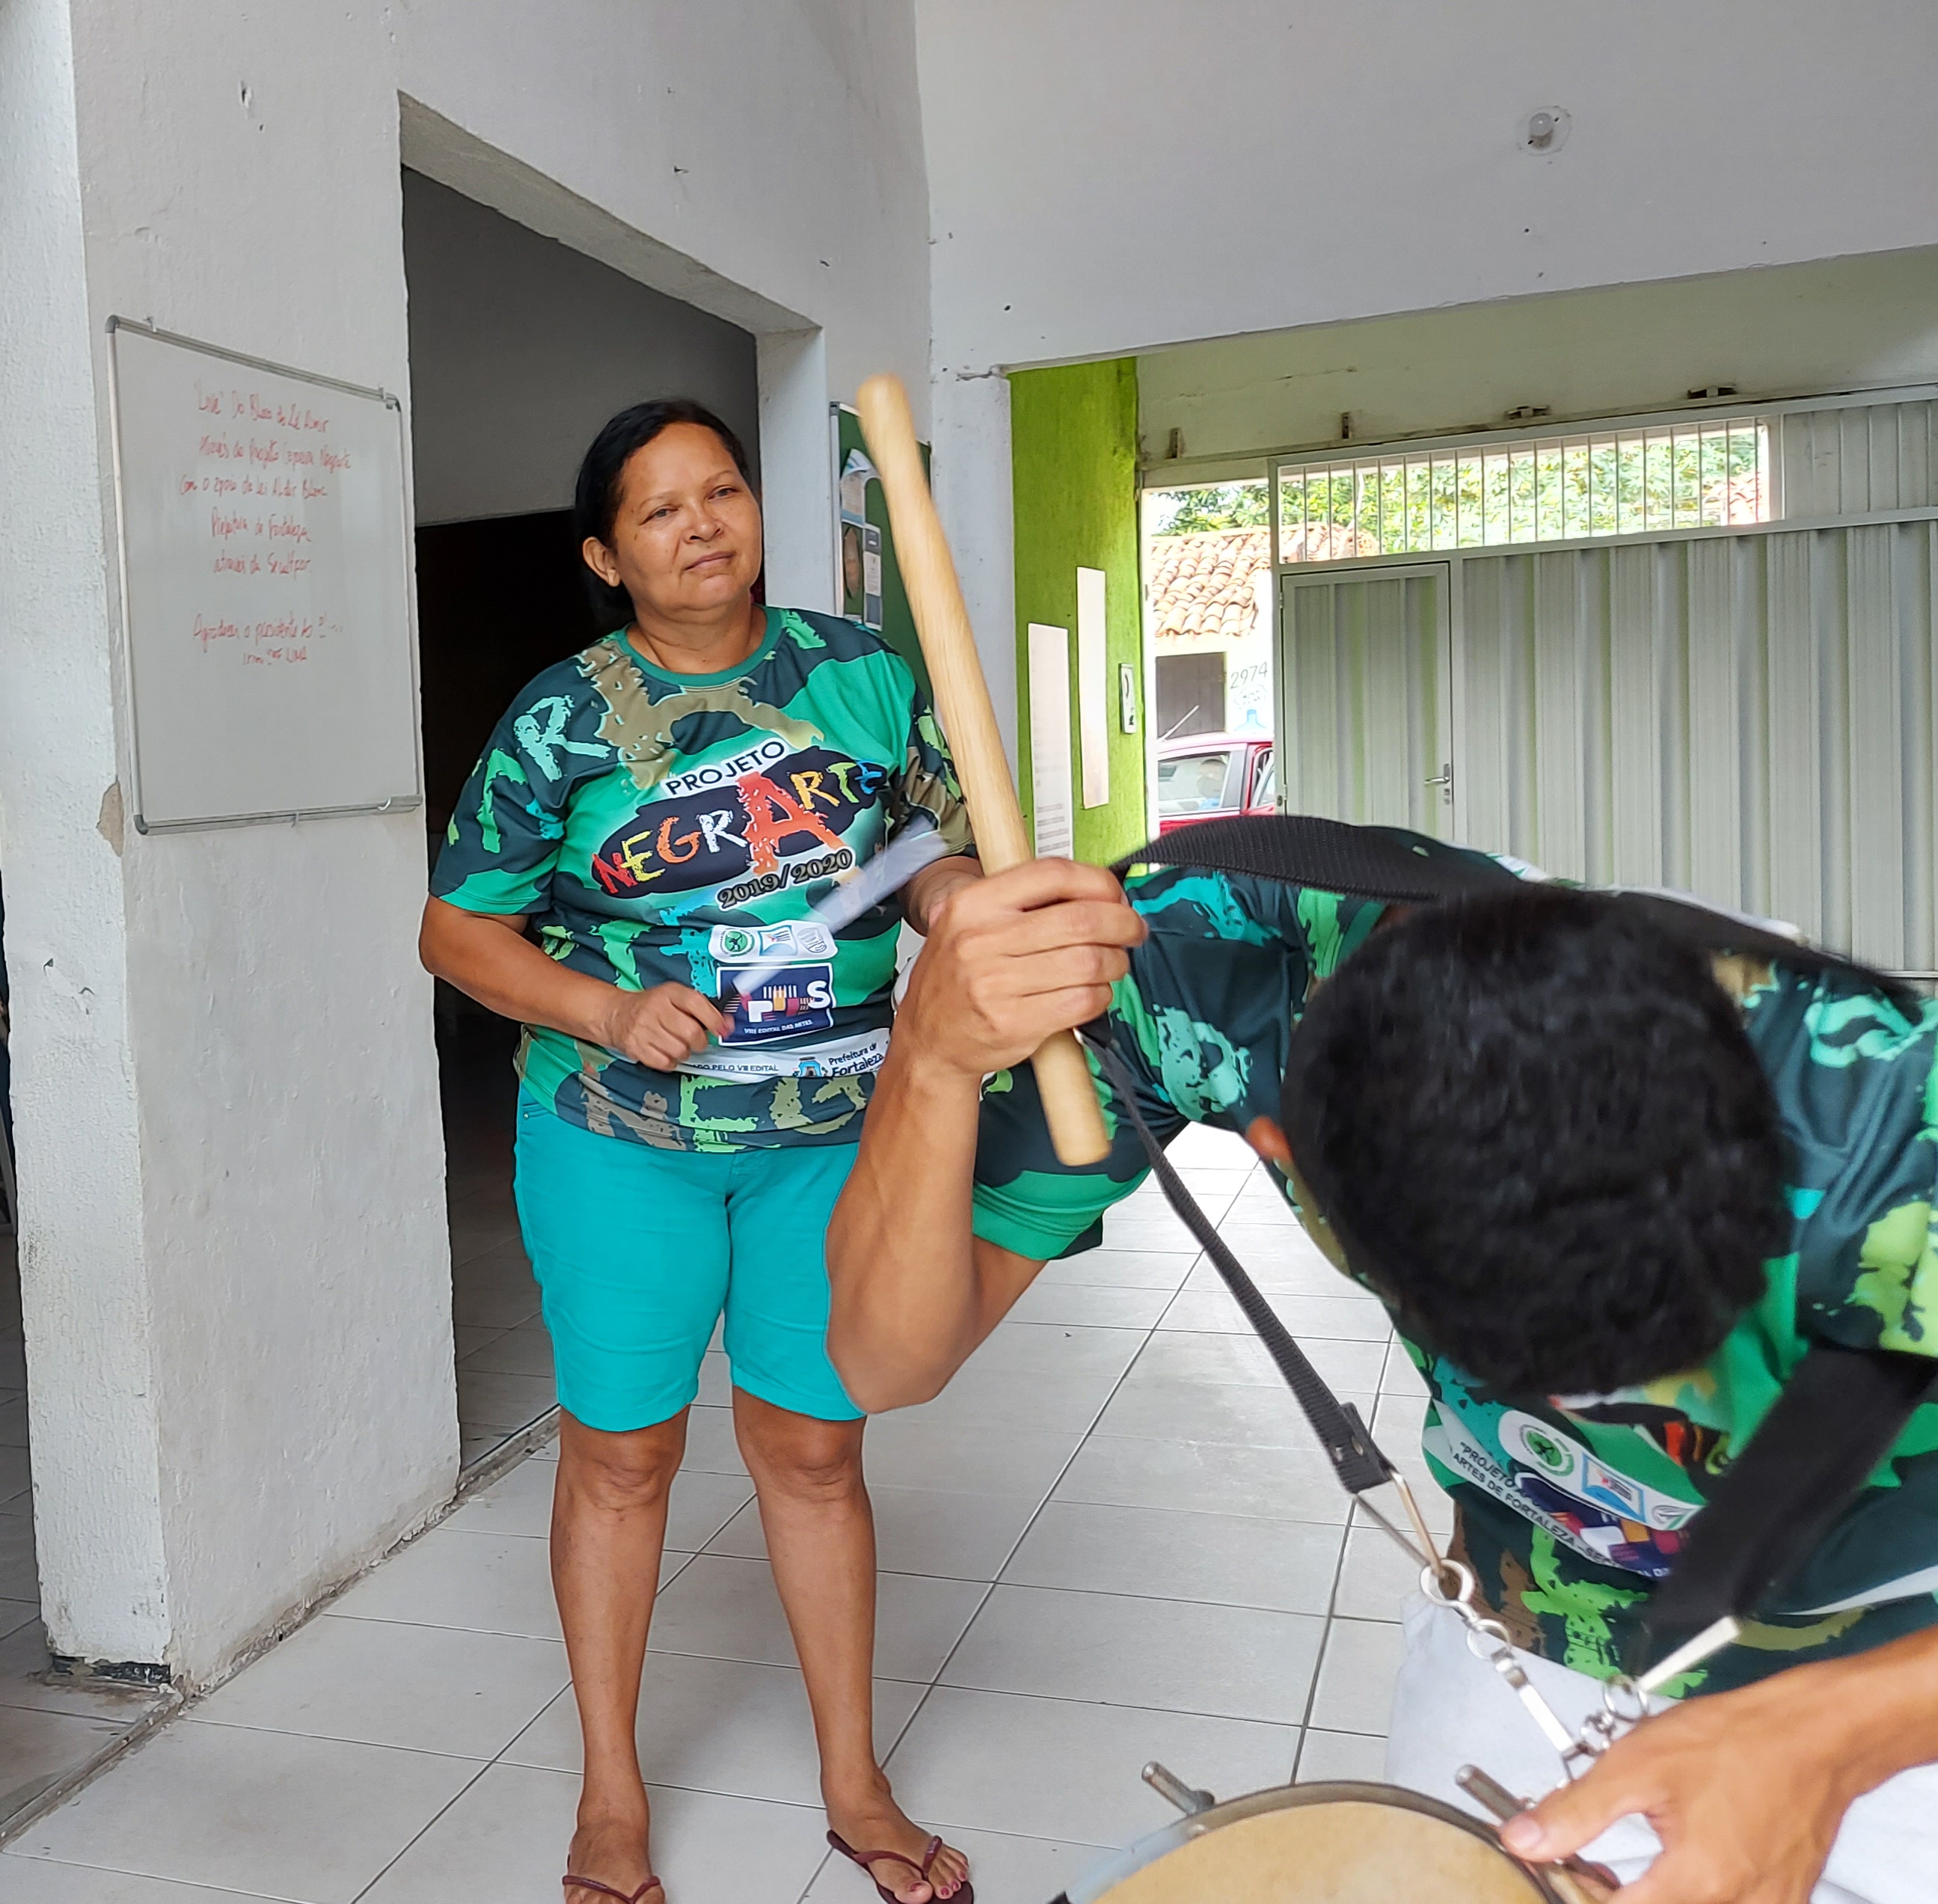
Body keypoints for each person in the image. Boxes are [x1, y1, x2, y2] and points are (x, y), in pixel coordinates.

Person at [824, 842, 1938, 1903]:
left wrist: (1836, 1736)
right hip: (1534, 1630)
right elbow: (883, 1364)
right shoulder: (1205, 964)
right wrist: (933, 1055)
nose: (1596, 1412)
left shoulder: (1897, 1134)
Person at [421, 400, 984, 1904]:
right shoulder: (562, 717)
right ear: (607, 557)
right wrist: (606, 1011)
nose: (701, 525)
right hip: (619, 1139)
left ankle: (855, 1782)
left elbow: (924, 848)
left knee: (814, 1450)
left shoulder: (858, 675)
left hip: (829, 1137)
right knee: (623, 1458)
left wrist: (948, 907)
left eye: (720, 491)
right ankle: (609, 1796)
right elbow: (456, 932)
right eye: (659, 510)